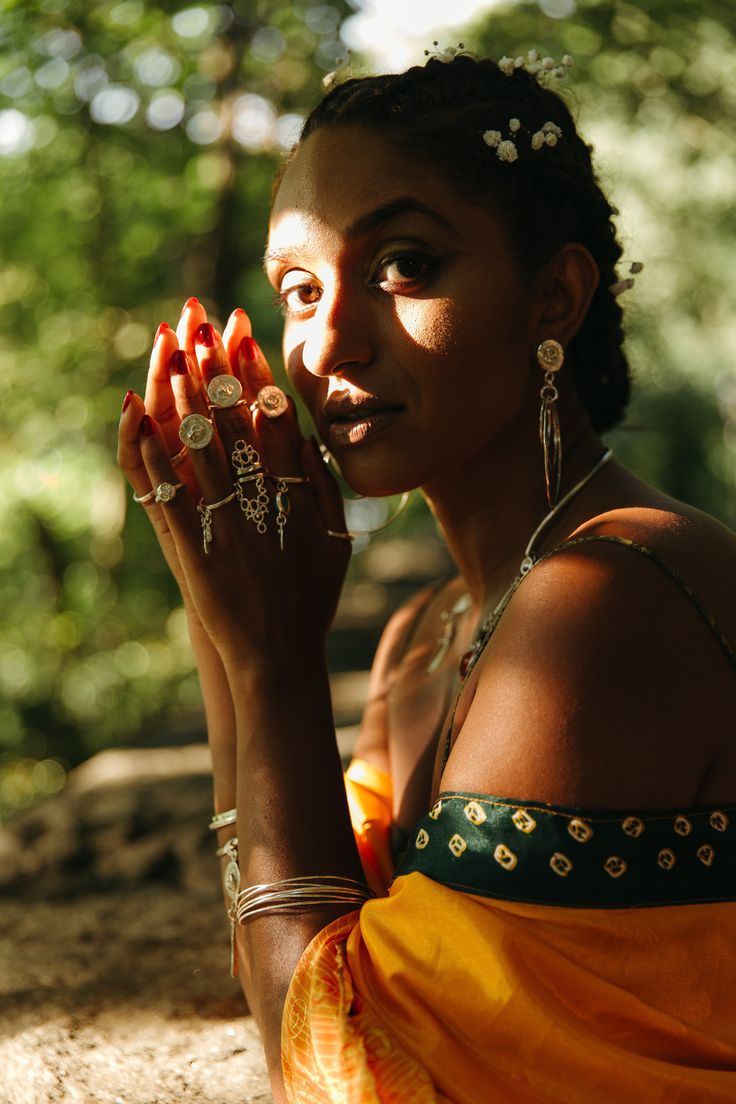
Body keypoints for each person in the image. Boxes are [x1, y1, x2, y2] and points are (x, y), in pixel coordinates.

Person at [117, 49, 736, 1104]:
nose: (328, 342)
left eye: (403, 264)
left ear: (552, 296)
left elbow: (335, 1060)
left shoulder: (603, 599)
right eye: (298, 290)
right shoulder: (427, 629)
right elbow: (291, 969)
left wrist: (269, 664)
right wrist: (227, 622)